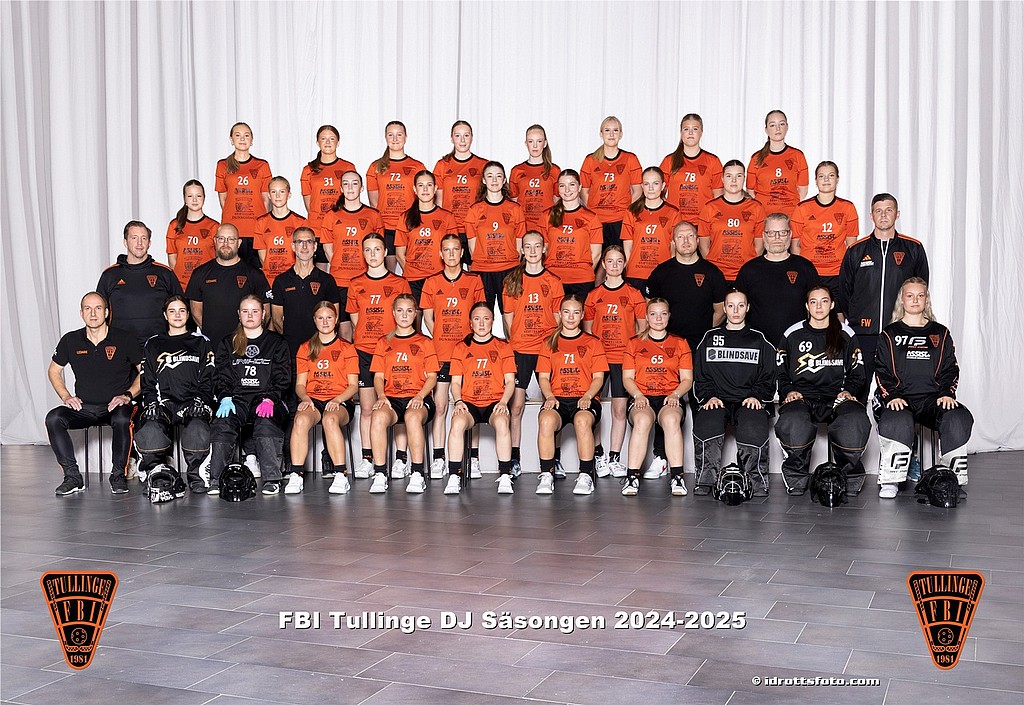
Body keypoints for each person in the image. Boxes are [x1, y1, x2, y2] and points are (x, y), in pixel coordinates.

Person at [873, 278, 973, 498]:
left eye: (920, 295)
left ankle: (951, 481)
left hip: (932, 400)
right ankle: (891, 480)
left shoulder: (940, 333)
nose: (915, 300)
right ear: (902, 300)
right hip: (900, 399)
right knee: (897, 419)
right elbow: (881, 370)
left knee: (957, 417)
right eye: (910, 296)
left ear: (926, 299)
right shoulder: (889, 333)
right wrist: (892, 395)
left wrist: (946, 393)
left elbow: (950, 368)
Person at [775, 285, 870, 495]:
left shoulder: (846, 333)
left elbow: (858, 372)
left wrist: (848, 391)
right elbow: (780, 371)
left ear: (832, 304)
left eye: (824, 301)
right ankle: (796, 478)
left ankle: (850, 478)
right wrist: (788, 390)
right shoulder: (792, 334)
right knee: (794, 420)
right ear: (806, 306)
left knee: (854, 418)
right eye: (814, 302)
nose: (819, 306)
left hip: (836, 397)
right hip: (802, 396)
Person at [46, 292, 143, 496]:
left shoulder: (124, 338)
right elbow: (54, 371)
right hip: (85, 408)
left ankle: (118, 475)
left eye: (98, 308)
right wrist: (66, 397)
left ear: (106, 313)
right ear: (81, 313)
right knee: (54, 418)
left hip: (116, 407)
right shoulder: (71, 340)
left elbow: (144, 372)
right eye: (87, 309)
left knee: (122, 419)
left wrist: (127, 395)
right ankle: (73, 477)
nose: (93, 313)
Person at [838, 193, 929, 394]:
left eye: (889, 210)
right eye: (878, 211)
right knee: (857, 389)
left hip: (900, 333)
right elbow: (844, 291)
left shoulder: (913, 248)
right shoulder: (856, 250)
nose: (883, 215)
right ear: (871, 216)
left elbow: (921, 288)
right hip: (864, 334)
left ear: (897, 214)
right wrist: (856, 320)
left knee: (900, 391)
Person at [692, 289, 776, 497]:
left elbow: (768, 376)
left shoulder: (760, 339)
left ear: (747, 308)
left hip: (748, 400)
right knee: (707, 422)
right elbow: (700, 376)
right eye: (730, 305)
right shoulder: (709, 338)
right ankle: (705, 481)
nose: (735, 310)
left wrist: (756, 395)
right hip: (717, 399)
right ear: (724, 308)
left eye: (740, 305)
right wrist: (709, 396)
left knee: (753, 425)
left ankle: (756, 482)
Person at [208, 294, 292, 495]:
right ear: (239, 314)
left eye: (255, 311)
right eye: (245, 311)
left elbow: (283, 376)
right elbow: (220, 375)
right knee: (222, 423)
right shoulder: (228, 342)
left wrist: (271, 397)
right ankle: (216, 480)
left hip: (266, 399)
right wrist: (225, 396)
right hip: (236, 399)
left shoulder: (276, 342)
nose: (250, 315)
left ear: (263, 314)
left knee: (265, 422)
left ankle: (272, 479)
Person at [346, 233, 412, 479]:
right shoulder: (355, 283)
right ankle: (368, 459)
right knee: (367, 408)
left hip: (392, 351)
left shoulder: (399, 283)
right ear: (362, 254)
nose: (372, 254)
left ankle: (401, 459)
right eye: (367, 250)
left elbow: (406, 319)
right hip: (364, 350)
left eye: (376, 249)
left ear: (385, 252)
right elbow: (356, 320)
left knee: (397, 404)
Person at [135, 295, 215, 494]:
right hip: (164, 402)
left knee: (197, 428)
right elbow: (147, 380)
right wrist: (151, 402)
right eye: (172, 311)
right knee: (150, 429)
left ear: (188, 314)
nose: (177, 315)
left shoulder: (201, 342)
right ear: (165, 315)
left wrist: (202, 400)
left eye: (181, 311)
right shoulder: (153, 344)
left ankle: (198, 475)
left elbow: (209, 376)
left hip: (193, 402)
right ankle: (154, 473)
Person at [420, 235, 485, 481]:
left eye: (455, 249)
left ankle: (473, 458)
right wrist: (440, 338)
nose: (451, 254)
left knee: (472, 405)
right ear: (440, 253)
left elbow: (480, 314)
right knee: (440, 406)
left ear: (461, 252)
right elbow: (429, 319)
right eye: (446, 250)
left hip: (467, 353)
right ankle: (439, 458)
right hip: (442, 353)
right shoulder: (431, 282)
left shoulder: (474, 280)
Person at [502, 230, 563, 476]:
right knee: (516, 406)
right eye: (528, 246)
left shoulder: (553, 281)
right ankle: (514, 458)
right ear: (522, 250)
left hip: (546, 350)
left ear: (544, 249)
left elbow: (558, 318)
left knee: (553, 403)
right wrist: (518, 339)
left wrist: (549, 345)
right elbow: (508, 318)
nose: (533, 251)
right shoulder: (512, 281)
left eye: (537, 246)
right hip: (521, 350)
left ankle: (554, 459)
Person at [535, 295, 609, 496]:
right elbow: (543, 377)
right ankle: (547, 474)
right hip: (557, 399)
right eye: (566, 312)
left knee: (583, 421)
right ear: (559, 314)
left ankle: (586, 475)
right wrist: (549, 396)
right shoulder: (549, 342)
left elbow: (598, 377)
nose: (570, 317)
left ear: (582, 315)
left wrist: (588, 396)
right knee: (546, 421)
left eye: (576, 312)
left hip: (584, 399)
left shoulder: (593, 343)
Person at [583, 246, 646, 479]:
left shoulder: (634, 294)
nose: (615, 265)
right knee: (592, 408)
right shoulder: (593, 295)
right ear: (603, 264)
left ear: (624, 264)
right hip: (599, 358)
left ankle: (614, 457)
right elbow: (588, 332)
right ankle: (598, 453)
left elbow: (641, 329)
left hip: (622, 359)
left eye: (619, 261)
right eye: (610, 261)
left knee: (619, 410)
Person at [620, 298, 694, 496]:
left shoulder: (680, 343)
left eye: (663, 314)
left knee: (671, 420)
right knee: (642, 420)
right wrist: (637, 395)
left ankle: (677, 477)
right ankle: (632, 477)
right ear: (646, 317)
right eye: (653, 314)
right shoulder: (634, 343)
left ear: (669, 316)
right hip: (642, 396)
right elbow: (627, 378)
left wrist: (676, 394)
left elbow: (687, 379)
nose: (658, 318)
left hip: (669, 396)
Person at [368, 294, 440, 494]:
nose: (404, 315)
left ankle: (417, 473)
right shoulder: (384, 342)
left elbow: (432, 377)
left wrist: (420, 396)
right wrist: (381, 396)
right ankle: (380, 473)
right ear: (393, 313)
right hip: (391, 398)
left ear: (415, 314)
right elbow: (378, 376)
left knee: (412, 417)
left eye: (409, 311)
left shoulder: (425, 342)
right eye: (400, 311)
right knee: (378, 416)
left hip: (419, 397)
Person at [286, 302, 359, 495]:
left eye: (329, 317)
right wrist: (305, 398)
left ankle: (340, 474)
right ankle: (296, 474)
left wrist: (337, 400)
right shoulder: (305, 348)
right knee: (300, 420)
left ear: (336, 320)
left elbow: (353, 386)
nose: (325, 322)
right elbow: (300, 385)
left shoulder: (347, 348)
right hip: (314, 399)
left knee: (330, 419)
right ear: (314, 320)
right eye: (320, 318)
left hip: (340, 400)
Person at [446, 302, 516, 494]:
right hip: (469, 403)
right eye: (477, 319)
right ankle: (454, 475)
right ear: (470, 323)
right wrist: (458, 401)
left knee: (502, 422)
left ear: (493, 321)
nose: (482, 323)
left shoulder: (503, 346)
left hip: (495, 402)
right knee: (457, 423)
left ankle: (505, 475)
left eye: (486, 319)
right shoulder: (461, 348)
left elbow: (510, 381)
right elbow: (455, 383)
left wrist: (503, 402)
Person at [735, 213, 819, 345]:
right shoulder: (749, 270)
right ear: (763, 236)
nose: (777, 237)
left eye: (782, 232)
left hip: (797, 344)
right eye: (771, 233)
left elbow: (816, 309)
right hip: (757, 345)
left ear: (790, 235)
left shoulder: (805, 267)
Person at [96, 221, 183, 345]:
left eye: (144, 238)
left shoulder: (165, 273)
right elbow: (99, 313)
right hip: (120, 346)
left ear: (149, 243)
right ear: (125, 242)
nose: (139, 243)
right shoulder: (110, 275)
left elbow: (182, 308)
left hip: (159, 346)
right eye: (134, 238)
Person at [321, 170, 384, 341]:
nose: (350, 187)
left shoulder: (373, 215)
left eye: (355, 183)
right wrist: (341, 267)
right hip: (340, 281)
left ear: (362, 188)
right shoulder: (331, 216)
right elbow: (328, 249)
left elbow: (378, 248)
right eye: (346, 184)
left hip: (365, 281)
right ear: (341, 188)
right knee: (344, 331)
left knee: (365, 327)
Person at [185, 223, 271, 349]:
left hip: (246, 346)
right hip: (213, 346)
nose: (226, 243)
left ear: (239, 243)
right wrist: (212, 333)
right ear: (215, 241)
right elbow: (196, 312)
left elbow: (266, 312)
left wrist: (251, 336)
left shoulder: (255, 274)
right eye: (221, 239)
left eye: (231, 239)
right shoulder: (200, 273)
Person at [646, 221, 727, 354]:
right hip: (668, 345)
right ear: (673, 243)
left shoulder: (713, 272)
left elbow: (720, 311)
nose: (686, 241)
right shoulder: (661, 272)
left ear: (698, 240)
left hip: (701, 345)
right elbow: (650, 305)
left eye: (690, 236)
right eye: (680, 237)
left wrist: (704, 332)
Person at [465, 161, 527, 321]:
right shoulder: (474, 210)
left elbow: (519, 244)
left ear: (504, 179)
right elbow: (472, 248)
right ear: (483, 180)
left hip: (509, 270)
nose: (494, 180)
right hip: (483, 271)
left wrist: (510, 264)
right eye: (490, 176)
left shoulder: (515, 209)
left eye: (498, 176)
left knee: (511, 316)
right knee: (482, 316)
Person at [270, 226, 342, 357]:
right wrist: (291, 339)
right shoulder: (281, 281)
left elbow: (334, 317)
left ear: (315, 246)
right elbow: (277, 320)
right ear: (293, 246)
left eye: (309, 242)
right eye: (299, 242)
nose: (304, 246)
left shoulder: (327, 280)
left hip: (319, 350)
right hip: (290, 350)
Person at [789, 161, 860, 294]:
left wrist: (847, 272)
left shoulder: (848, 207)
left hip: (837, 273)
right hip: (810, 272)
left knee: (839, 307)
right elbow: (795, 246)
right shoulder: (802, 208)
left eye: (831, 175)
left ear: (837, 179)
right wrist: (804, 269)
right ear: (816, 180)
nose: (826, 180)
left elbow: (851, 247)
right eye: (821, 176)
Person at [365, 120, 426, 272]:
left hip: (410, 225)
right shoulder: (375, 167)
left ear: (406, 137)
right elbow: (374, 202)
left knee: (412, 271)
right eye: (390, 135)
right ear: (385, 138)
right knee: (388, 274)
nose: (395, 139)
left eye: (399, 135)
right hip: (386, 227)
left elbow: (423, 197)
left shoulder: (417, 166)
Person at [579, 116, 643, 253]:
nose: (611, 134)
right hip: (597, 220)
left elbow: (638, 190)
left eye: (615, 130)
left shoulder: (630, 159)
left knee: (619, 259)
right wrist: (593, 212)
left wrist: (626, 212)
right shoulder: (590, 160)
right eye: (607, 130)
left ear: (621, 134)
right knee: (596, 259)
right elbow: (584, 191)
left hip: (620, 220)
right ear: (601, 134)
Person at [394, 170, 457, 303]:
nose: (425, 189)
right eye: (421, 185)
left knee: (438, 316)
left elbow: (453, 250)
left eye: (429, 185)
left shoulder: (447, 217)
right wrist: (413, 273)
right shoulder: (405, 217)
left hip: (438, 278)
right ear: (414, 189)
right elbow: (399, 254)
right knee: (413, 315)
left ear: (435, 188)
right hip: (413, 280)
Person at [698, 160, 766, 282]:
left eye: (739, 176)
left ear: (744, 179)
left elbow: (759, 246)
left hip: (746, 273)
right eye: (729, 176)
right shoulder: (709, 207)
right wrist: (713, 270)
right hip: (717, 274)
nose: (734, 180)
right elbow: (703, 246)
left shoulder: (757, 208)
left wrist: (749, 268)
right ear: (722, 179)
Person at [215, 122, 271, 268]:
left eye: (246, 135)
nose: (242, 139)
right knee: (232, 271)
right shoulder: (222, 165)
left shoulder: (262, 165)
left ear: (252, 140)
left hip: (255, 230)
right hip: (233, 230)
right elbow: (223, 199)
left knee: (257, 272)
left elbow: (266, 200)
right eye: (238, 135)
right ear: (231, 139)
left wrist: (261, 225)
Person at [433, 120, 488, 265]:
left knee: (475, 270)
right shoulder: (442, 165)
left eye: (466, 135)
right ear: (452, 138)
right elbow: (438, 200)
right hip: (450, 227)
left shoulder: (483, 165)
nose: (462, 140)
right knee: (450, 271)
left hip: (475, 227)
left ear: (472, 137)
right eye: (458, 136)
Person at [300, 124, 356, 265]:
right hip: (317, 228)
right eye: (323, 139)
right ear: (317, 142)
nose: (328, 142)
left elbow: (351, 197)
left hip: (340, 226)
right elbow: (309, 203)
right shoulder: (308, 170)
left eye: (332, 138)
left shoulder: (347, 167)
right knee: (319, 272)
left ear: (338, 142)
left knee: (342, 266)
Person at [542, 169, 602, 297]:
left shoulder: (591, 217)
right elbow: (544, 249)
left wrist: (581, 272)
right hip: (554, 278)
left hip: (582, 281)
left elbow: (596, 253)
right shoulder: (547, 215)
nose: (567, 190)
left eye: (572, 184)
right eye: (562, 186)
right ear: (558, 189)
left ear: (579, 187)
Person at [620, 166, 679, 290]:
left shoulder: (673, 212)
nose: (651, 188)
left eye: (655, 184)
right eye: (647, 184)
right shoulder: (631, 211)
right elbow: (628, 246)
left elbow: (674, 247)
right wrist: (630, 269)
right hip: (636, 274)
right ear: (642, 186)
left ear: (663, 186)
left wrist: (671, 271)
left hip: (662, 273)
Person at [659, 113, 724, 222]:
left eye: (695, 129)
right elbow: (658, 192)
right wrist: (669, 212)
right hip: (676, 224)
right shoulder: (669, 161)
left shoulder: (713, 161)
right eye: (686, 129)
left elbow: (718, 198)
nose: (690, 133)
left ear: (701, 132)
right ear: (681, 132)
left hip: (703, 223)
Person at [745, 110, 808, 217]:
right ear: (766, 130)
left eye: (781, 124)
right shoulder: (756, 158)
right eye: (772, 125)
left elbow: (803, 191)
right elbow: (750, 191)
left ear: (787, 127)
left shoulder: (798, 155)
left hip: (790, 216)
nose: (778, 128)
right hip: (764, 216)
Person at [166, 180, 219, 291]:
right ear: (185, 199)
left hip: (206, 284)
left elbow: (218, 258)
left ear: (204, 198)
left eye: (198, 196)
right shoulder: (174, 225)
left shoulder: (214, 226)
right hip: (182, 287)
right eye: (190, 196)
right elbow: (172, 259)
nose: (194, 200)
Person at [254, 176, 307, 285]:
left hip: (293, 279)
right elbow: (262, 255)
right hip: (269, 279)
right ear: (269, 195)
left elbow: (303, 253)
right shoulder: (261, 222)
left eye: (282, 192)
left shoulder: (300, 222)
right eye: (274, 192)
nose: (277, 196)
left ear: (289, 194)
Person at [509, 124, 561, 232]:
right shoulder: (516, 171)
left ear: (545, 143)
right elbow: (514, 202)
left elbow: (556, 200)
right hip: (524, 227)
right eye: (531, 141)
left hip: (547, 226)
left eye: (539, 141)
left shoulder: (554, 170)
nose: (535, 146)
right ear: (526, 143)